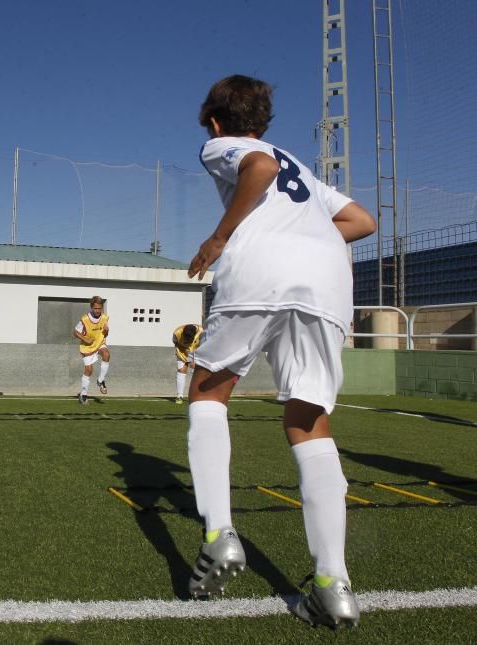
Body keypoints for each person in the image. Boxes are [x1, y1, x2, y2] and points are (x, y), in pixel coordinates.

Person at [185, 75, 376, 629]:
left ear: (217, 121)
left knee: (208, 389)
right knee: (309, 421)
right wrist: (309, 242)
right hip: (328, 282)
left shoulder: (228, 145)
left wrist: (220, 236)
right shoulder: (306, 170)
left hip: (261, 270)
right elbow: (362, 221)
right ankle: (331, 584)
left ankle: (220, 533)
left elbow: (259, 171)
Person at [73, 295, 110, 404]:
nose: (98, 310)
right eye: (95, 308)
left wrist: (107, 331)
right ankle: (83, 395)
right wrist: (85, 339)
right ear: (91, 307)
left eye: (99, 308)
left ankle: (100, 380)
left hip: (99, 343)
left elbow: (105, 334)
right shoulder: (85, 319)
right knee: (89, 370)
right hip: (87, 347)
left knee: (106, 354)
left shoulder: (104, 318)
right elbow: (75, 332)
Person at [172, 323, 203, 404]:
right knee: (181, 370)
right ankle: (179, 396)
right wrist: (183, 347)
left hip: (196, 352)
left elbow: (204, 347)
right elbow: (175, 341)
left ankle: (195, 395)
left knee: (196, 371)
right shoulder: (177, 332)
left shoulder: (202, 333)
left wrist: (194, 359)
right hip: (182, 351)